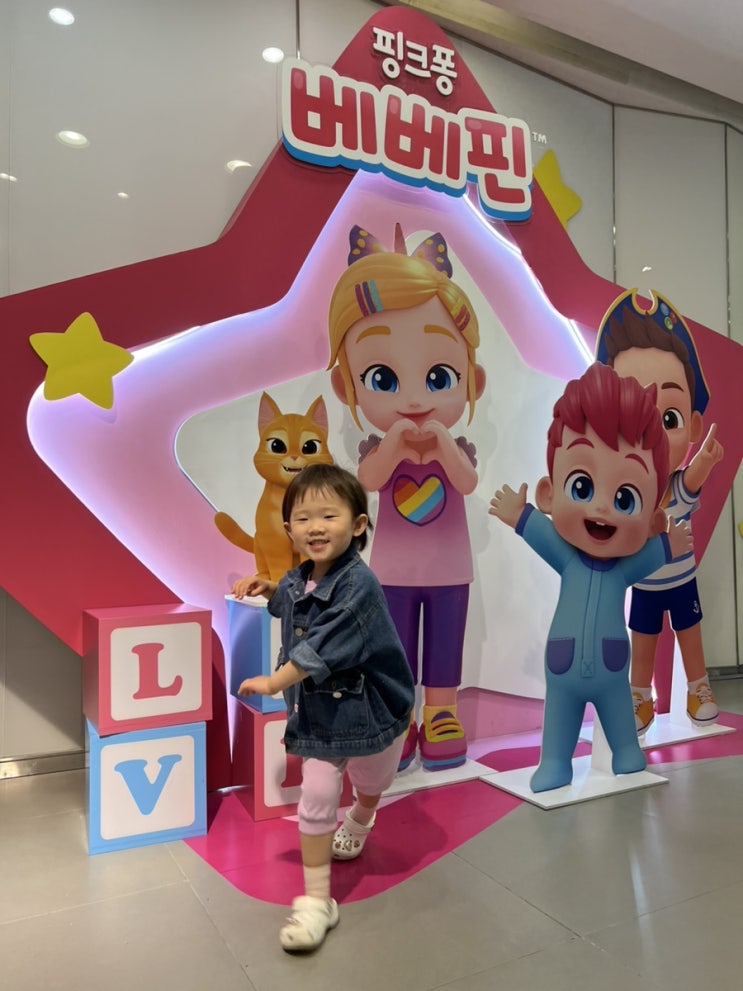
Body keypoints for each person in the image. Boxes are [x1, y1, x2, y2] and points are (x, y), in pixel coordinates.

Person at [232, 463, 414, 952]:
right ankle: (316, 902)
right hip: (320, 713)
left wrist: (274, 682)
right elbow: (295, 603)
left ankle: (362, 816)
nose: (315, 527)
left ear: (357, 525)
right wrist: (270, 588)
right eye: (303, 518)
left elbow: (322, 647)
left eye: (328, 516)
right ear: (288, 528)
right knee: (315, 793)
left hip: (373, 709)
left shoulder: (360, 586)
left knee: (372, 781)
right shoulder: (300, 577)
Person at [488, 362, 692, 792]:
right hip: (564, 667)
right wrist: (520, 515)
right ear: (549, 494)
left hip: (612, 668)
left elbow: (653, 554)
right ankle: (555, 762)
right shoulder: (567, 558)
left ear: (651, 517)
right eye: (582, 487)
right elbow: (540, 533)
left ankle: (626, 753)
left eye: (625, 498)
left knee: (618, 712)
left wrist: (669, 544)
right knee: (559, 713)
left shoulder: (624, 568)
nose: (601, 509)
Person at [327, 223, 486, 771]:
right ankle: (398, 715)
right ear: (348, 387)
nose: (416, 398)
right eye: (383, 378)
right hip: (392, 572)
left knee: (444, 644)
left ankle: (441, 713)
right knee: (393, 649)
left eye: (439, 376)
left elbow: (466, 482)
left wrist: (443, 443)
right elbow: (369, 481)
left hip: (450, 571)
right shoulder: (379, 448)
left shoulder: (456, 447)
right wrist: (395, 443)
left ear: (472, 381)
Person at [596, 290, 724, 731]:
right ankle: (639, 697)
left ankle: (698, 687)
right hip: (645, 584)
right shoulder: (625, 492)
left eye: (668, 419)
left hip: (682, 581)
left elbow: (691, 481)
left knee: (690, 634)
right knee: (644, 640)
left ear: (692, 424)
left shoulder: (674, 486)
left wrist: (704, 461)